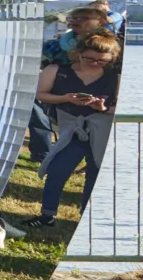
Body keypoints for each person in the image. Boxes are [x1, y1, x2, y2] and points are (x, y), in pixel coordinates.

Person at [24, 30, 121, 229]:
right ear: (79, 53)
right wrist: (65, 98)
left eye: (101, 61)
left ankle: (87, 218)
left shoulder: (115, 77)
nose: (95, 63)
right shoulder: (56, 70)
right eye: (89, 59)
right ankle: (47, 215)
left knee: (95, 175)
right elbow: (41, 94)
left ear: (112, 58)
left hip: (102, 130)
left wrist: (103, 108)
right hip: (71, 128)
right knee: (57, 170)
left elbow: (120, 108)